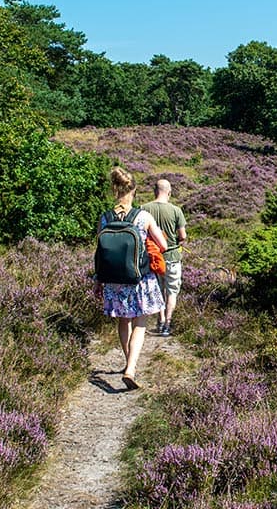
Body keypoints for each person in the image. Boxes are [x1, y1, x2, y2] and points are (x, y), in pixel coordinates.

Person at [95, 167, 167, 390]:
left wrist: (98, 281)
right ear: (133, 191)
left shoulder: (105, 218)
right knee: (140, 322)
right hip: (139, 279)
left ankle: (128, 361)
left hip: (113, 280)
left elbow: (100, 252)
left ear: (115, 191)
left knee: (123, 320)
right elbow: (163, 245)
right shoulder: (143, 217)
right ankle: (131, 368)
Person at [143, 178, 187, 337]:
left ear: (154, 191)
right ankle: (167, 325)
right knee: (171, 291)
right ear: (169, 192)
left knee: (157, 289)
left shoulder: (143, 209)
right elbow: (183, 236)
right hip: (172, 257)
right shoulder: (176, 210)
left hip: (152, 257)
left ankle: (160, 319)